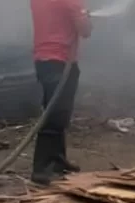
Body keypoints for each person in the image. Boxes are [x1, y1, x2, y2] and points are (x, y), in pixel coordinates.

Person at [30, 0, 93, 185]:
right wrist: (85, 17)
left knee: (60, 113)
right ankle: (41, 168)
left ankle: (57, 160)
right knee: (54, 115)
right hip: (60, 60)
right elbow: (85, 30)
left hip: (46, 59)